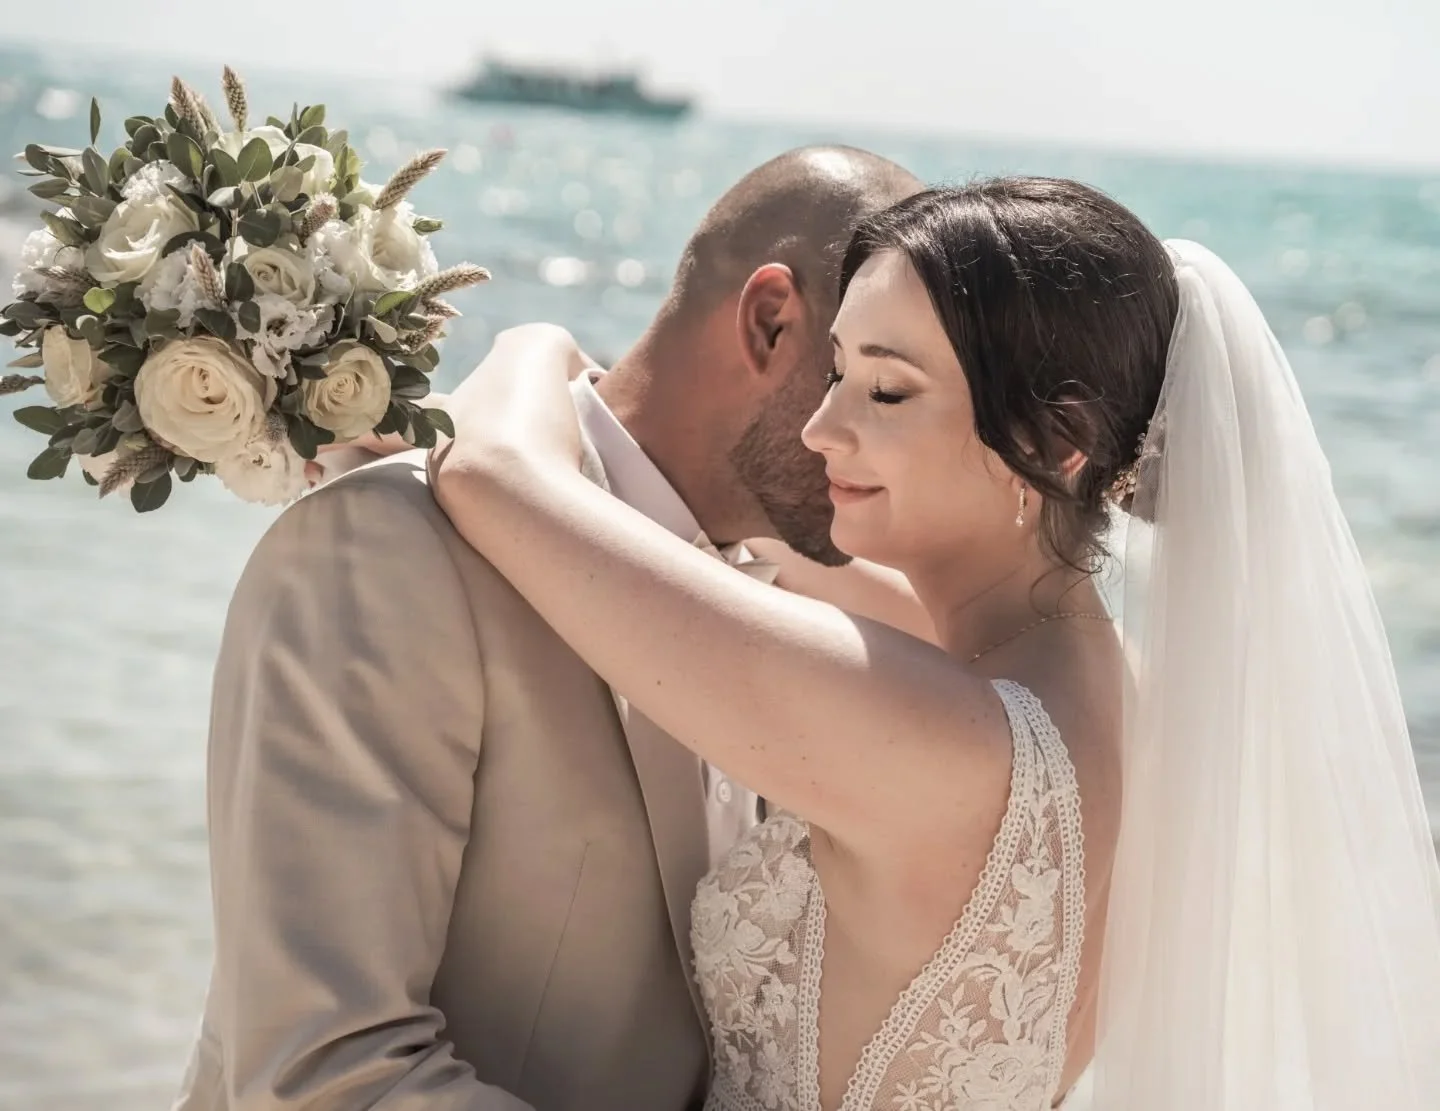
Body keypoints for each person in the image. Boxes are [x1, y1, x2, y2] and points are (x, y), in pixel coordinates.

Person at [423, 178, 1440, 1110]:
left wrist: (540, 346)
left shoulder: (933, 734)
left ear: (1051, 443)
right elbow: (724, 559)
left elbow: (495, 477)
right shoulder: (1120, 685)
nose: (822, 427)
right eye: (834, 371)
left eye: (888, 390)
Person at [171, 146, 922, 1111]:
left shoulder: (798, 608)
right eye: (876, 382)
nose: (894, 445)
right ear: (771, 322)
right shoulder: (390, 549)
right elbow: (326, 1074)